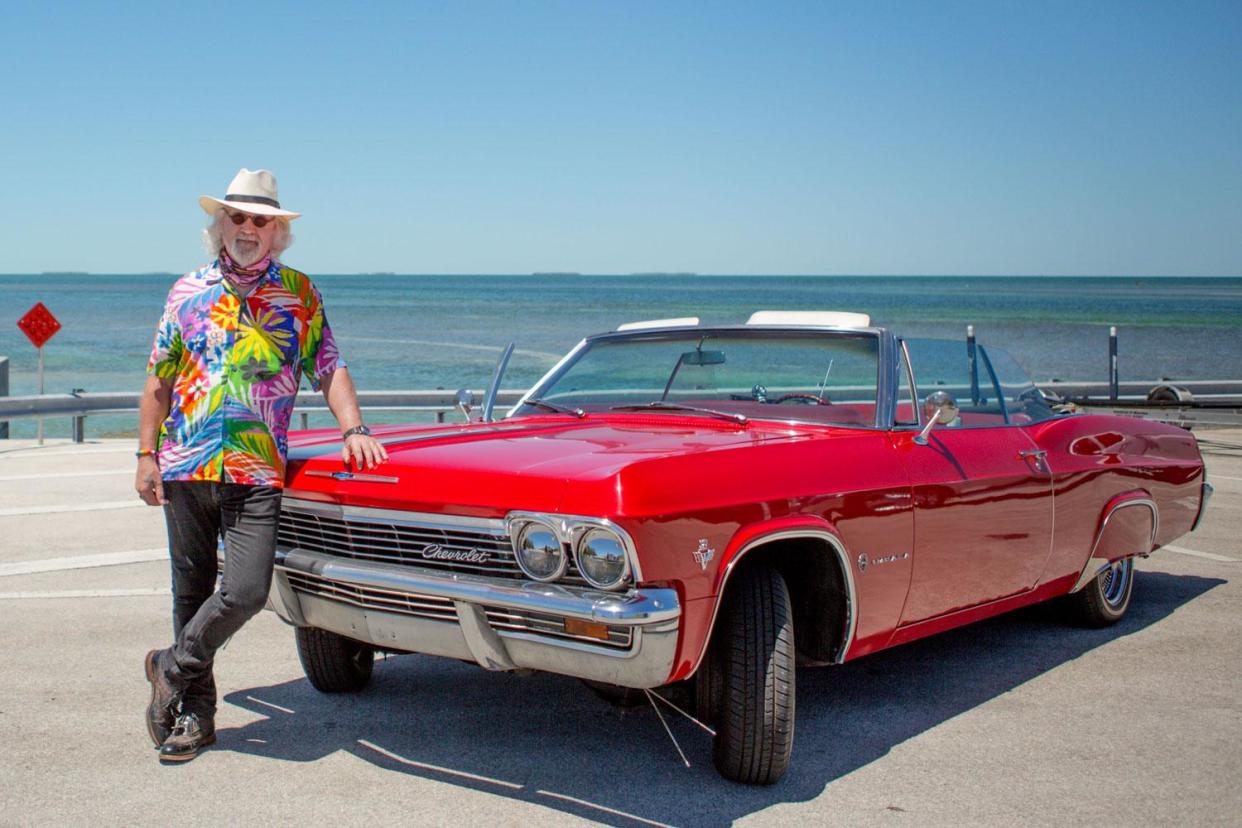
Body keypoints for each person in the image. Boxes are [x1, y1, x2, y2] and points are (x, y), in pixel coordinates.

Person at [136, 168, 388, 762]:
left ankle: (170, 665)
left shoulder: (298, 294)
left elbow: (328, 365)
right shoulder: (186, 292)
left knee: (246, 591)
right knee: (190, 591)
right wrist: (145, 454)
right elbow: (158, 380)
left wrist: (353, 428)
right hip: (186, 463)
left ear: (277, 232)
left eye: (261, 219)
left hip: (255, 471)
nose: (248, 228)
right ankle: (194, 716)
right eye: (238, 217)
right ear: (219, 225)